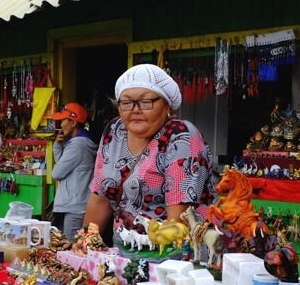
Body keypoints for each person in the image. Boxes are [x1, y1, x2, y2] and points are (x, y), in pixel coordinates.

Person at [83, 64, 216, 243]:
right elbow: (101, 197)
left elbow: (178, 220)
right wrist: (85, 245)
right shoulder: (115, 130)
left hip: (173, 254)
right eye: (126, 102)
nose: (135, 109)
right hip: (126, 247)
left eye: (146, 102)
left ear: (166, 105)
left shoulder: (181, 136)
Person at [50, 102, 97, 239]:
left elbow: (57, 173)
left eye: (63, 120)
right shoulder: (80, 142)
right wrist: (58, 146)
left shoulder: (77, 145)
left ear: (73, 122)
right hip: (75, 204)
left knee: (70, 250)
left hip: (74, 207)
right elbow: (63, 169)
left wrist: (58, 147)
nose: (60, 125)